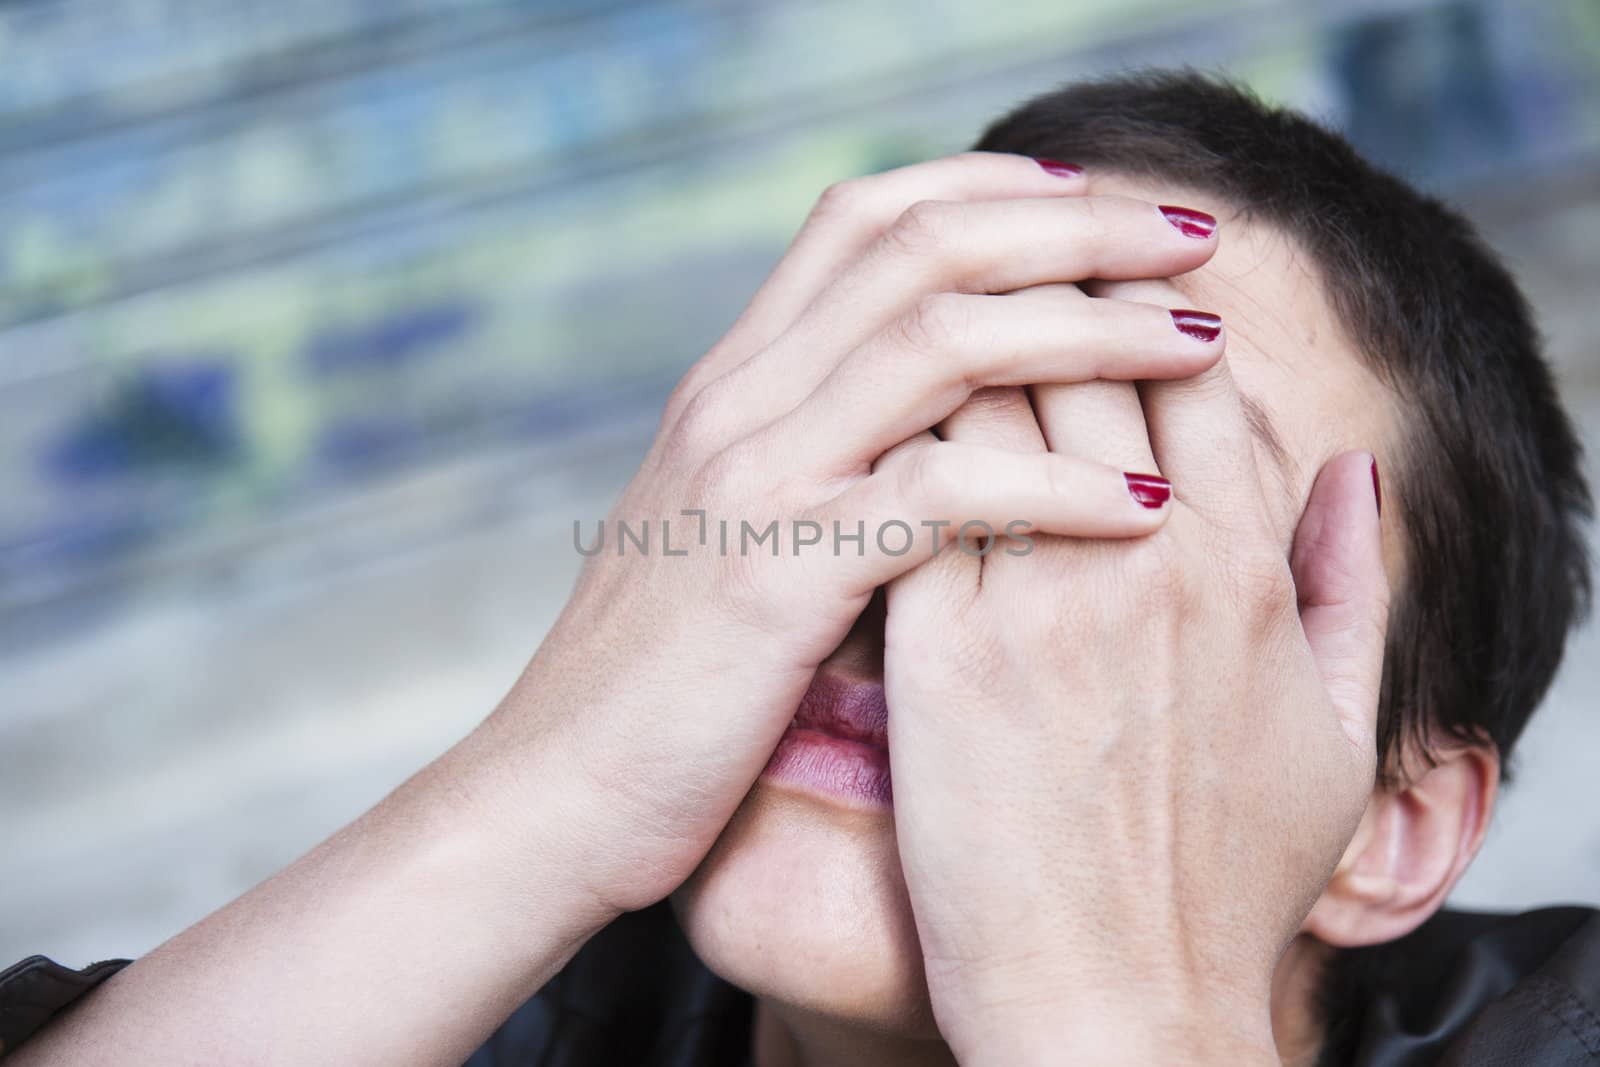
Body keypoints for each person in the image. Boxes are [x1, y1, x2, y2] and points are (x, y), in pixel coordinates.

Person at [1, 71, 1593, 1067]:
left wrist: (1110, 1019)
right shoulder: (458, 1002)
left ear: (1389, 830)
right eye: (907, 433)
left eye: (1140, 496)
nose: (925, 577)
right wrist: (552, 783)